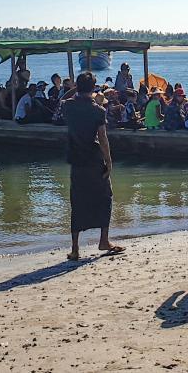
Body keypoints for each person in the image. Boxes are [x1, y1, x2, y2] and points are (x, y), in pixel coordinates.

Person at [61, 73, 124, 260]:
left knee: (77, 200)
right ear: (93, 88)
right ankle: (103, 240)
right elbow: (103, 138)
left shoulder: (69, 106)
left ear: (78, 87)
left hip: (76, 159)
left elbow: (62, 99)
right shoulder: (98, 110)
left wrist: (77, 89)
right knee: (105, 197)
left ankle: (75, 249)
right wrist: (109, 161)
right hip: (94, 158)